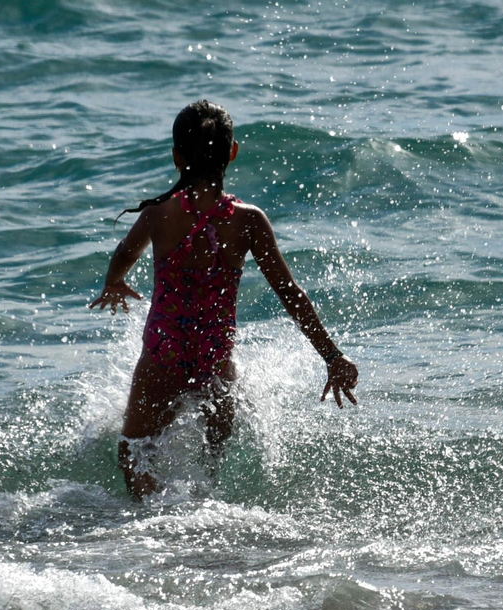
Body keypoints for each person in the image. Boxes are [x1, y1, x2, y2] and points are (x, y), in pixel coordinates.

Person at [91, 100, 358, 498]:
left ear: (177, 156)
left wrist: (114, 283)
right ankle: (203, 523)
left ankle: (152, 523)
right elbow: (291, 294)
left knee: (134, 455)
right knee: (210, 465)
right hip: (214, 358)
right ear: (232, 152)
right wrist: (332, 357)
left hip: (163, 354)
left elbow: (124, 253)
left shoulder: (158, 215)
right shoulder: (248, 220)